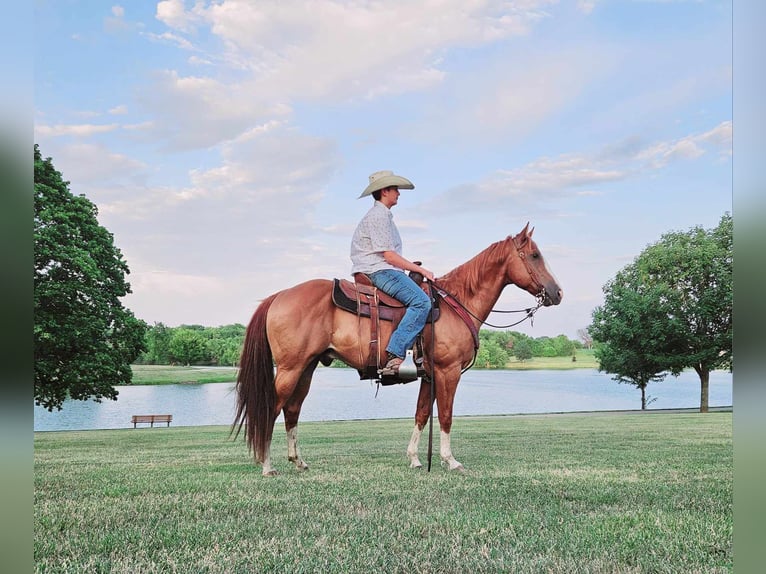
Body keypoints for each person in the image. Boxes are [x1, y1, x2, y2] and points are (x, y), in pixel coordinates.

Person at [350, 170, 434, 376]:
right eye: (395, 189)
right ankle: (395, 356)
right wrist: (420, 269)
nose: (399, 193)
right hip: (380, 270)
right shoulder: (378, 216)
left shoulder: (383, 216)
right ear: (385, 191)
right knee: (422, 302)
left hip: (380, 268)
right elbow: (389, 257)